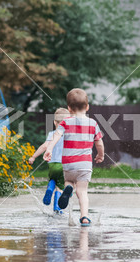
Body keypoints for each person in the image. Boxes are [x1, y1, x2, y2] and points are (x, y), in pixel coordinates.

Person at [43, 88, 104, 227]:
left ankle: (68, 189)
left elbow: (56, 136)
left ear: (69, 108)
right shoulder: (93, 123)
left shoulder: (65, 122)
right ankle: (84, 217)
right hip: (85, 164)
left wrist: (49, 149)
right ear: (87, 107)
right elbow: (99, 142)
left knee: (69, 181)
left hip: (69, 163)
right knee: (82, 191)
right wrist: (101, 155)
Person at [29, 108, 70, 213]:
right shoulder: (70, 135)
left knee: (52, 179)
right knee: (61, 186)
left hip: (52, 164)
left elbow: (44, 146)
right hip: (64, 165)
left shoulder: (52, 134)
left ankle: (49, 189)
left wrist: (33, 157)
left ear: (54, 122)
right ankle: (57, 207)